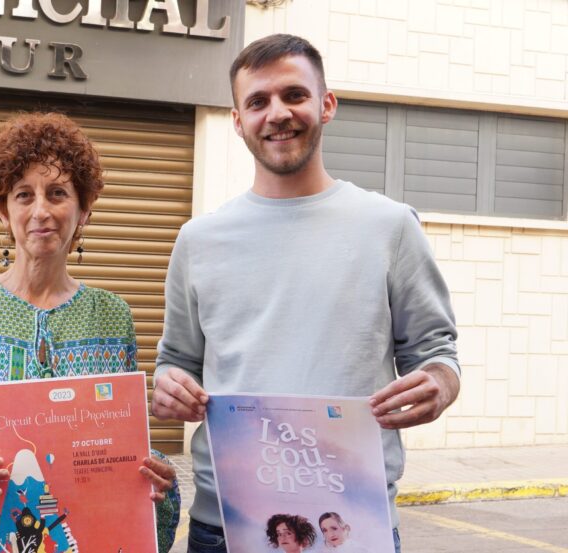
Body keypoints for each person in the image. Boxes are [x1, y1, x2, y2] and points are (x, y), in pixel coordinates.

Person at [151, 34, 460, 553]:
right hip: (225, 524)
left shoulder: (390, 227)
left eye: (294, 95)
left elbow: (436, 354)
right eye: (258, 101)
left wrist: (439, 386)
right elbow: (176, 360)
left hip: (352, 522)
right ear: (237, 120)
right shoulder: (198, 240)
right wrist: (168, 386)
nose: (277, 113)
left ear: (326, 104)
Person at [0, 112, 180, 553]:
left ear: (84, 210)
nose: (41, 211)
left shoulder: (112, 317)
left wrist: (152, 470)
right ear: (2, 210)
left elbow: (118, 437)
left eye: (57, 193)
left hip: (85, 536)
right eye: (23, 195)